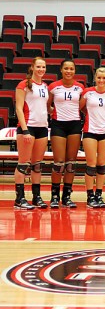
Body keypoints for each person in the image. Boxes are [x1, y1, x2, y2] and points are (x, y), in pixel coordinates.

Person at [47, 60, 84, 209]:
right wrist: (54, 113)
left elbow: (82, 106)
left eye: (71, 69)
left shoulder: (80, 87)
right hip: (58, 125)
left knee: (71, 163)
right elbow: (48, 105)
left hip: (74, 124)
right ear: (61, 70)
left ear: (74, 71)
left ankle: (67, 196)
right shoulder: (54, 86)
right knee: (59, 163)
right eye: (66, 68)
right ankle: (54, 195)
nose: (69, 71)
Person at [14, 57, 49, 210]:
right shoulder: (24, 85)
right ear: (32, 67)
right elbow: (18, 109)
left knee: (37, 165)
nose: (41, 69)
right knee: (23, 163)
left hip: (42, 128)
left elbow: (43, 107)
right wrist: (25, 130)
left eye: (44, 67)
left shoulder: (45, 86)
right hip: (28, 127)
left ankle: (36, 197)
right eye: (39, 66)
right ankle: (19, 198)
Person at [79, 67, 105, 208]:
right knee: (91, 165)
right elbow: (80, 107)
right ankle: (90, 196)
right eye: (99, 78)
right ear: (95, 78)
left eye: (104, 78)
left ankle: (99, 195)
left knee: (102, 166)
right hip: (90, 131)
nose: (101, 80)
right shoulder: (88, 92)